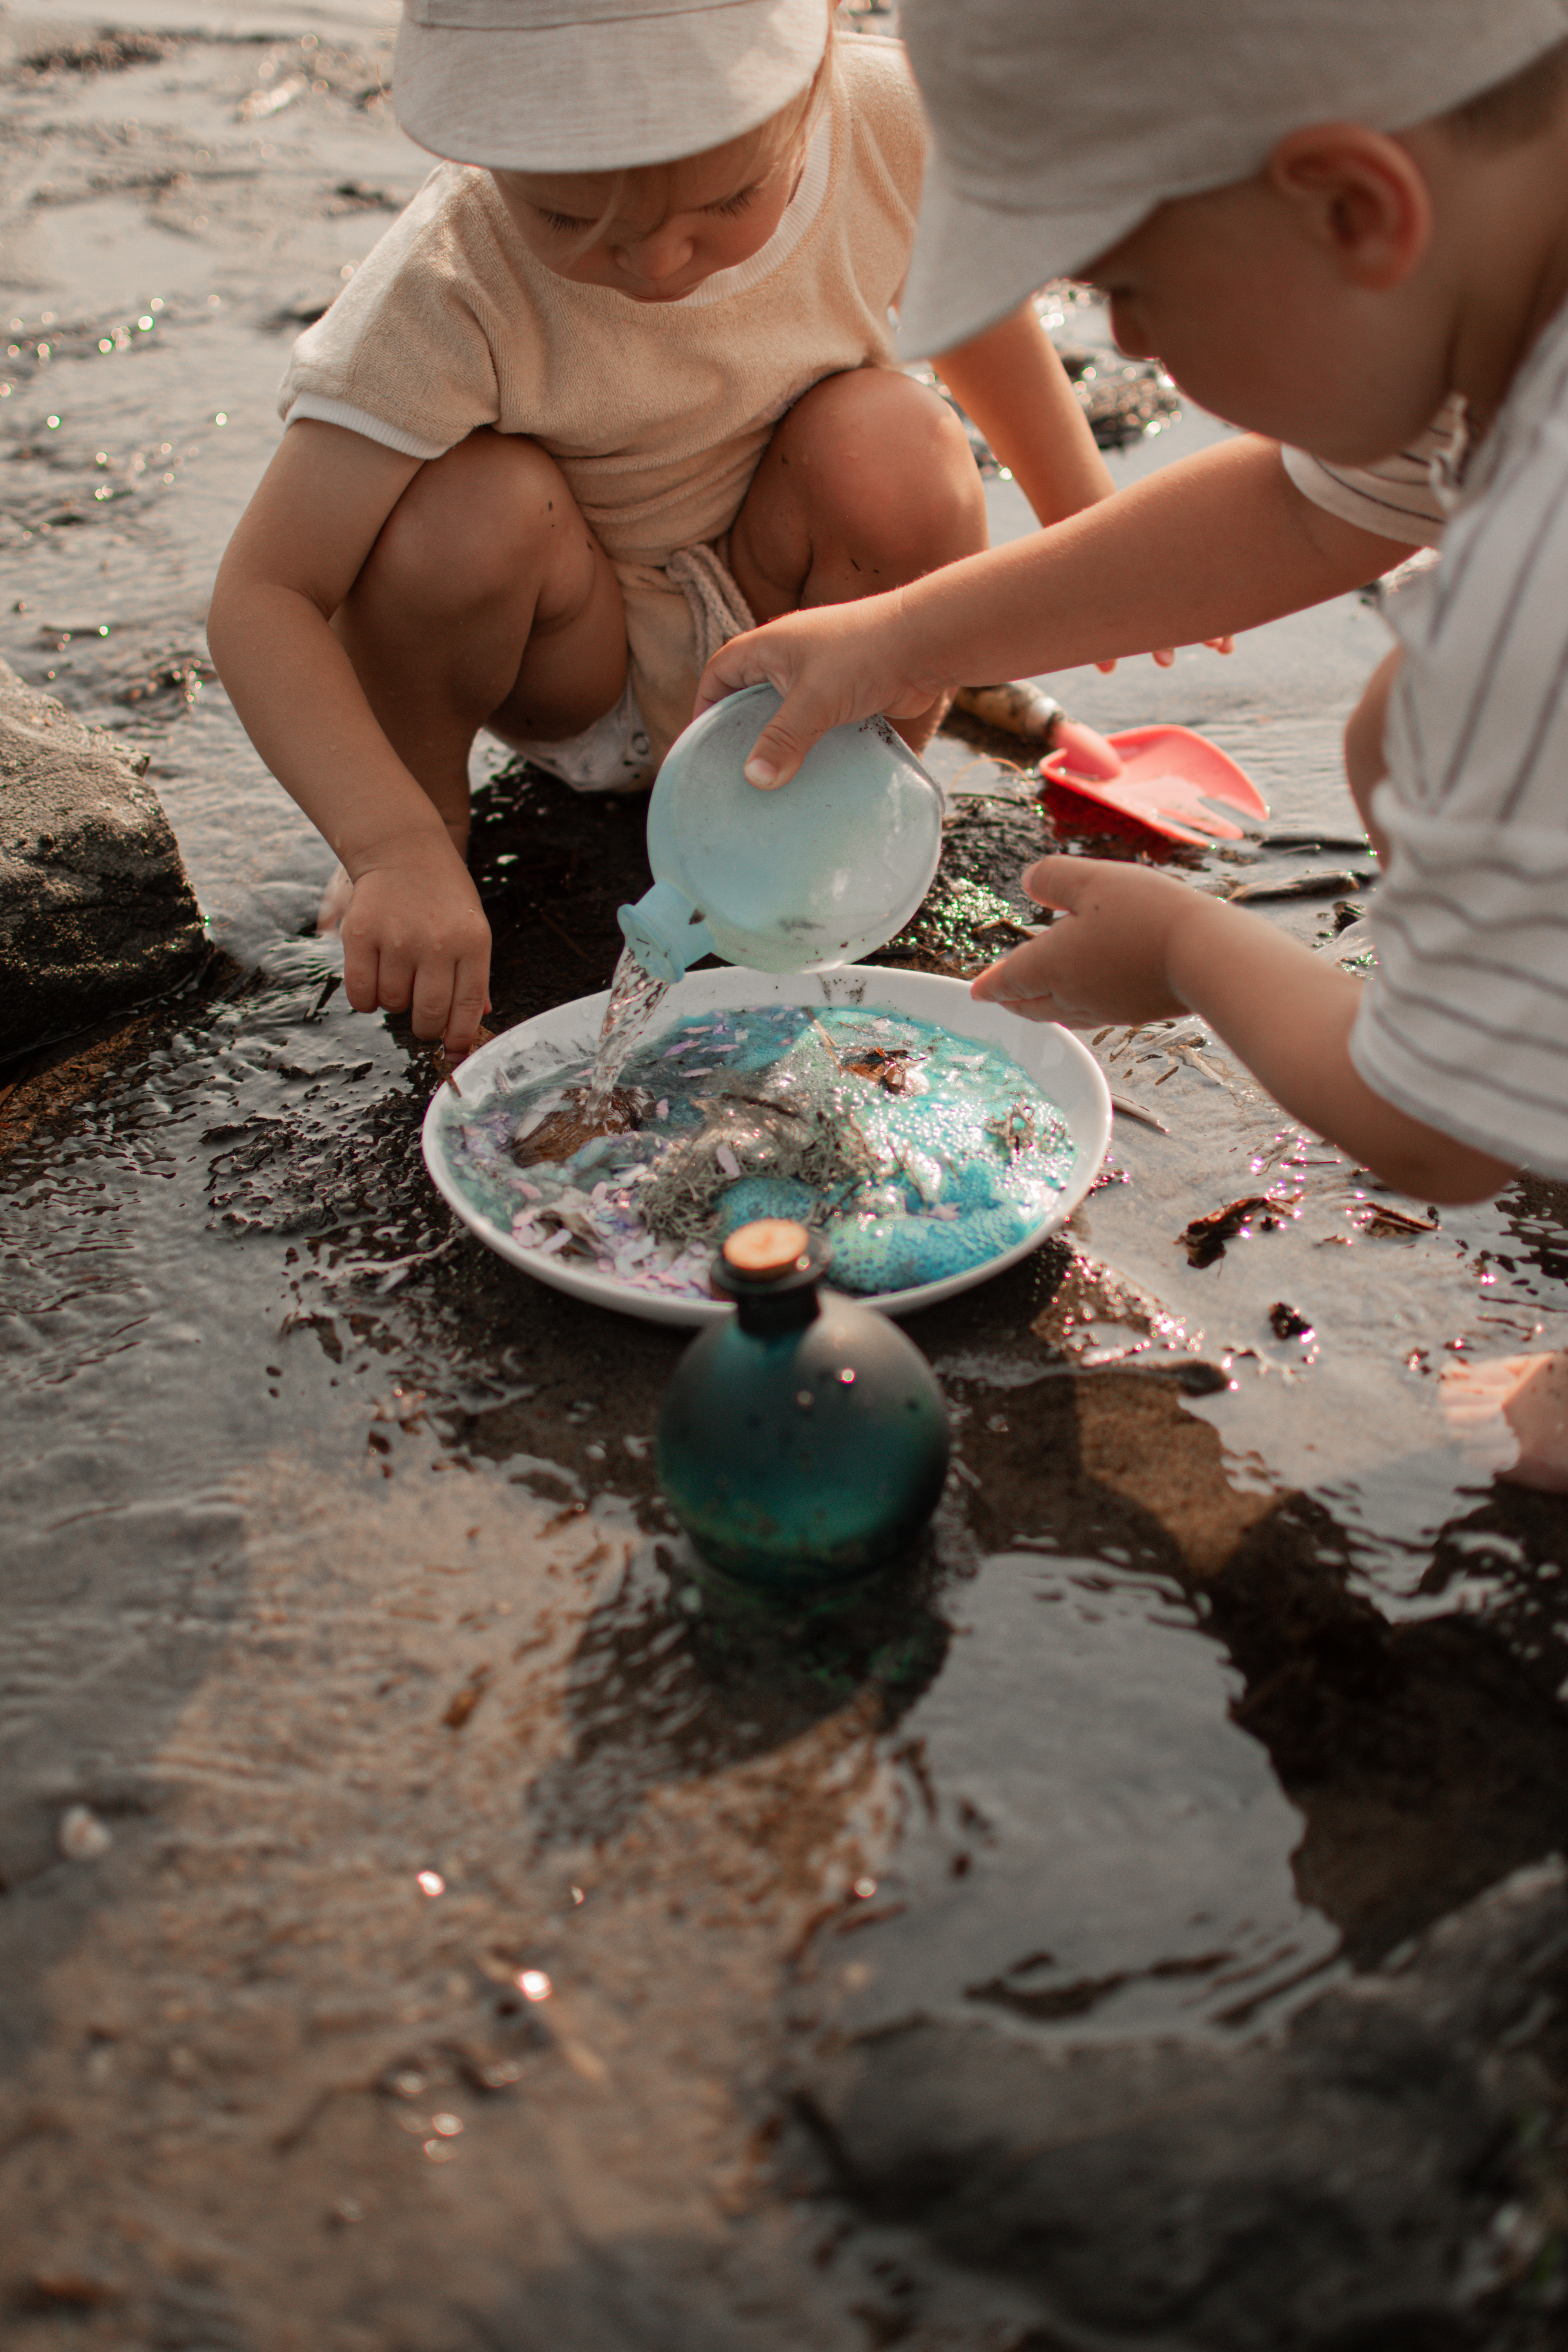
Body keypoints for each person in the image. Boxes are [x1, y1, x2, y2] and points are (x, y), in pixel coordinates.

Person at [697, 0, 1568, 1492]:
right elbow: (1308, 509)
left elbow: (1432, 1134)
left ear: (1359, 206)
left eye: (1129, 292)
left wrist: (1182, 950)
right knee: (1396, 735)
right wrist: (904, 637)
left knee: (1426, 739)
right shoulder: (1498, 270)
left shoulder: (1535, 592)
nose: (1131, 344)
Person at [206, 0, 1116, 1060]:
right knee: (462, 512)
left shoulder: (883, 120)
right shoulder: (446, 279)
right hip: (574, 667)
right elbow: (264, 595)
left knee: (895, 439)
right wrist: (387, 841)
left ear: (817, 52)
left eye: (726, 200)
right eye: (569, 224)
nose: (659, 264)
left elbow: (971, 307)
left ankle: (848, 813)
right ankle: (430, 853)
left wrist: (1091, 527)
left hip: (806, 646)